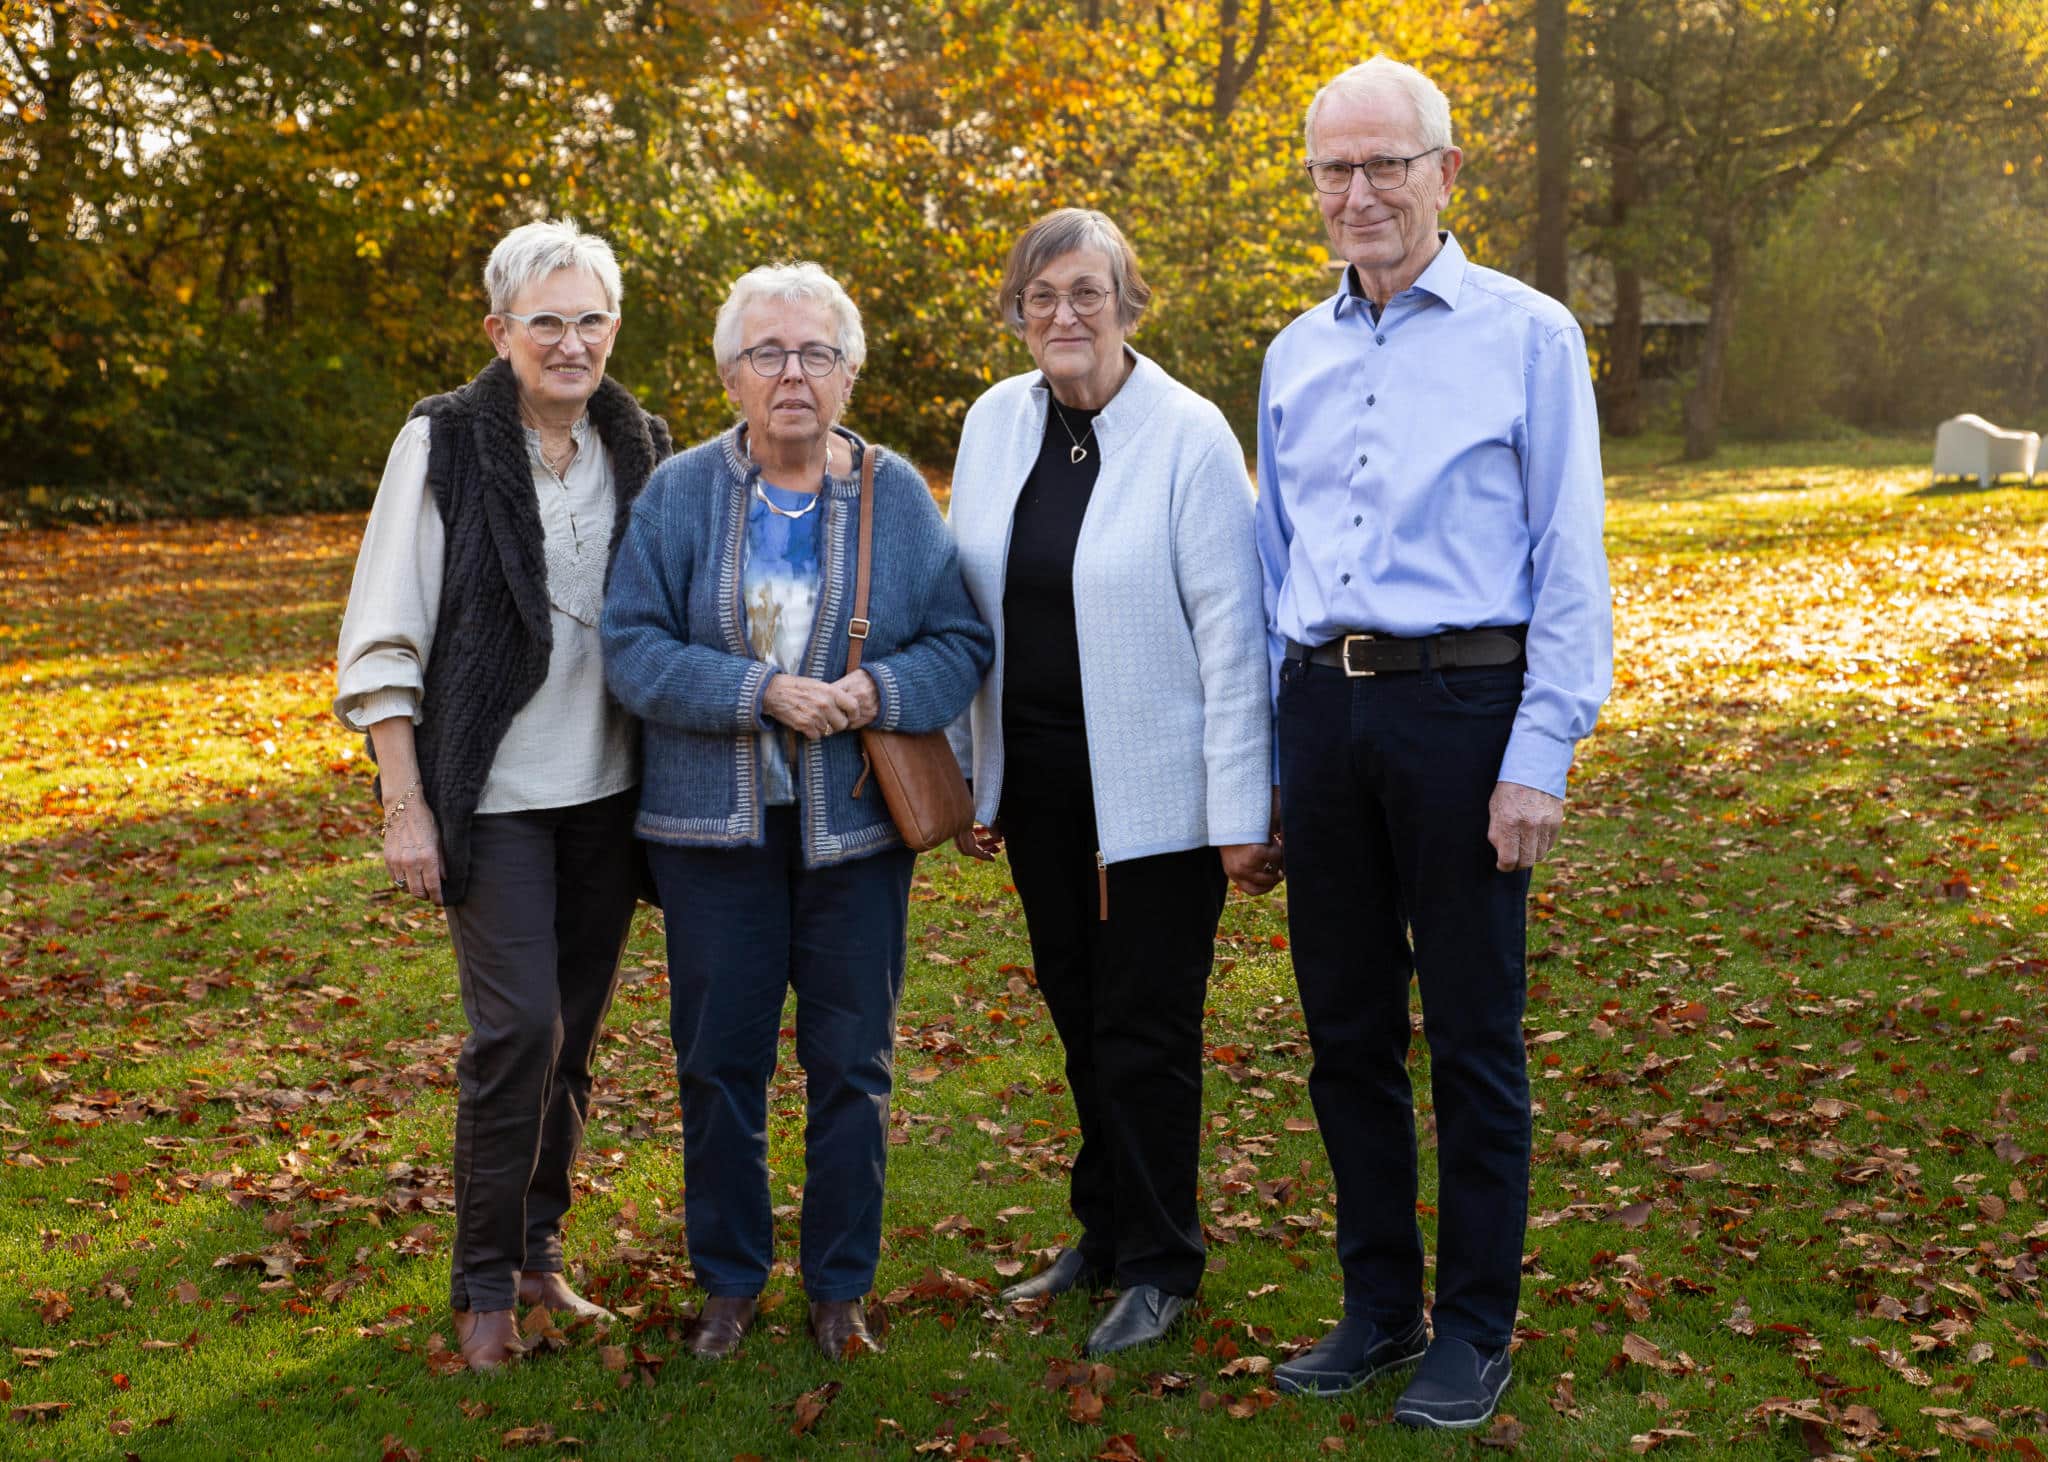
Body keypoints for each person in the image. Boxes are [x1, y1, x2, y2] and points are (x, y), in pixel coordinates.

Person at [1255, 57, 1614, 1429]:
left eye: (1384, 164)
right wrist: (1274, 761)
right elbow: (1276, 563)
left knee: (1469, 1034)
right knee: (1344, 1032)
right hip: (1321, 709)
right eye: (1333, 170)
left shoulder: (1528, 335)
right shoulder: (1294, 352)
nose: (1358, 193)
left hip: (1464, 711)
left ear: (1446, 172)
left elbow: (1570, 558)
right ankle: (1377, 1307)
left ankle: (1472, 1327)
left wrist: (1538, 754)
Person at [601, 262, 992, 1364]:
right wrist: (758, 691)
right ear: (730, 374)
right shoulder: (679, 492)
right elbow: (629, 645)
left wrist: (875, 692)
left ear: (848, 372)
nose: (792, 375)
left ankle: (839, 1288)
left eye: (816, 353)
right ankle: (729, 1282)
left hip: (854, 831)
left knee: (852, 1064)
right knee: (719, 1063)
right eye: (767, 353)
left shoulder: (893, 494)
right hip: (710, 834)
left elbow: (959, 640)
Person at [333, 219, 673, 1371]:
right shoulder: (442, 440)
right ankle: (481, 1287)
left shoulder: (641, 445)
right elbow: (384, 634)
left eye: (590, 321)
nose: (570, 342)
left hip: (610, 795)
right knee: (517, 1029)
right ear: (499, 331)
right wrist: (405, 804)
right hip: (494, 796)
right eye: (546, 322)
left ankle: (536, 1258)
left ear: (613, 329)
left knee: (570, 1037)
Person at [948, 209, 1280, 1357]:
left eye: (1086, 292)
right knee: (1077, 1016)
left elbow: (1232, 638)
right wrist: (969, 777)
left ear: (1126, 304)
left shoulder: (1186, 435)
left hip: (1155, 796)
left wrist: (1240, 810)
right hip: (1039, 783)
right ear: (1016, 311)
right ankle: (1102, 1229)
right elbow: (966, 606)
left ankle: (1161, 1259)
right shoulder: (994, 422)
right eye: (1040, 295)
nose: (1063, 315)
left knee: (1146, 1027)